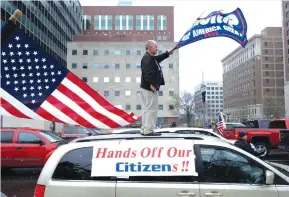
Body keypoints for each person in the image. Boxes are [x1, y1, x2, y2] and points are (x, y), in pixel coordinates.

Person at [140, 40, 174, 136]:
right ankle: (148, 130)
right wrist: (153, 84)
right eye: (156, 46)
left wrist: (168, 53)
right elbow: (146, 73)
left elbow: (158, 58)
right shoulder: (147, 58)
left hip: (146, 88)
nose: (157, 48)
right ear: (150, 48)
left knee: (147, 109)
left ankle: (145, 129)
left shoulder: (150, 58)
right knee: (151, 110)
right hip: (149, 88)